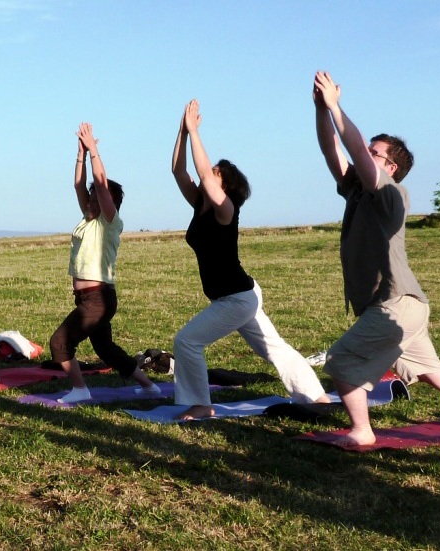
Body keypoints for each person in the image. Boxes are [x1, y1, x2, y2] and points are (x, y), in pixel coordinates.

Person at [312, 71, 440, 447]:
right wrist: (320, 111)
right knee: (432, 371)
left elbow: (354, 150)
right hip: (405, 305)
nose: (364, 156)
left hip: (396, 305)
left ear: (390, 167)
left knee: (341, 362)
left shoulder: (391, 195)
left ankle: (362, 432)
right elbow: (333, 152)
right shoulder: (358, 193)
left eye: (375, 153)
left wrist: (336, 107)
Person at [170, 99, 329, 420]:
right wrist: (183, 132)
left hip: (236, 299)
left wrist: (195, 131)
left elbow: (200, 169)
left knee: (187, 341)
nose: (207, 174)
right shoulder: (200, 205)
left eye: (215, 174)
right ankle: (317, 396)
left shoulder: (226, 210)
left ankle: (201, 404)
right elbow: (178, 169)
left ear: (225, 186)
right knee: (275, 349)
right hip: (240, 295)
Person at [49, 123, 160, 403]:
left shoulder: (109, 223)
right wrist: (80, 154)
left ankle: (80, 390)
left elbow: (100, 183)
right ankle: (150, 387)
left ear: (107, 201)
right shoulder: (88, 221)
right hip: (90, 298)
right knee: (106, 349)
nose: (89, 201)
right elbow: (79, 184)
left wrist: (95, 151)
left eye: (96, 198)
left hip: (97, 299)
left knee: (60, 343)